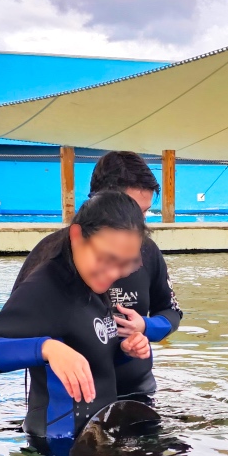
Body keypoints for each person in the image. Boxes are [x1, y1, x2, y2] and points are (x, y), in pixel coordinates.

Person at [0, 191, 153, 443]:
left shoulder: (92, 283)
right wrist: (46, 348)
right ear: (76, 237)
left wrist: (124, 350)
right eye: (106, 259)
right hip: (58, 448)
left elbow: (91, 353)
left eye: (124, 264)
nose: (113, 272)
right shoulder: (46, 287)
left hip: (95, 438)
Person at [14, 151, 181, 401]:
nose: (139, 223)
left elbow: (171, 312)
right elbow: (14, 332)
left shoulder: (147, 250)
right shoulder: (52, 255)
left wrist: (145, 326)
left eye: (144, 213)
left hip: (137, 393)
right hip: (67, 401)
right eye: (131, 210)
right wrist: (50, 347)